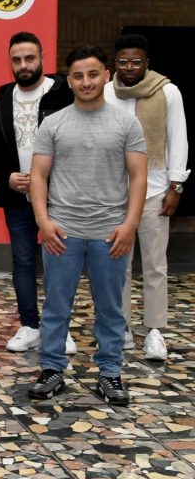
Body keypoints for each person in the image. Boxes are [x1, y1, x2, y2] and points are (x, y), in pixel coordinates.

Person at [26, 45, 147, 406]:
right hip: (62, 232)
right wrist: (43, 221)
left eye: (93, 74)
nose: (86, 81)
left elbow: (139, 178)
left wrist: (130, 225)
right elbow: (38, 177)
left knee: (111, 308)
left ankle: (110, 374)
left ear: (106, 75)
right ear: (70, 80)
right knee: (56, 306)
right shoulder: (54, 122)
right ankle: (51, 370)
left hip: (111, 234)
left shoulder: (127, 123)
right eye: (78, 75)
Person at [0, 32, 74, 353]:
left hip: (58, 196)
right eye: (17, 60)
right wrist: (6, 177)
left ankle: (60, 328)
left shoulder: (64, 94)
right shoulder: (1, 101)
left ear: (42, 57)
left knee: (59, 261)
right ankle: (29, 325)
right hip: (17, 200)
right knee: (22, 261)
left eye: (29, 58)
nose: (23, 65)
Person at [105, 33, 189, 361]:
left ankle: (154, 331)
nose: (129, 67)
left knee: (155, 264)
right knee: (117, 265)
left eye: (136, 61)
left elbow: (178, 140)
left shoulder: (168, 92)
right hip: (116, 193)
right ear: (115, 64)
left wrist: (176, 186)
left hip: (154, 190)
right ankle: (121, 327)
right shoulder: (106, 93)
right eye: (123, 62)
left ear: (147, 63)